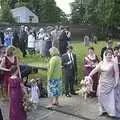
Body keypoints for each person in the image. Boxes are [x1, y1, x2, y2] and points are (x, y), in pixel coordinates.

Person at [86, 49, 119, 117]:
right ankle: (103, 110)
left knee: (110, 98)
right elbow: (95, 70)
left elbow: (117, 73)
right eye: (108, 55)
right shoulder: (101, 63)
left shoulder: (114, 63)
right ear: (105, 55)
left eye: (111, 55)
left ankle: (111, 112)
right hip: (102, 83)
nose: (110, 57)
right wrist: (89, 75)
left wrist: (117, 81)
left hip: (110, 83)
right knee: (101, 97)